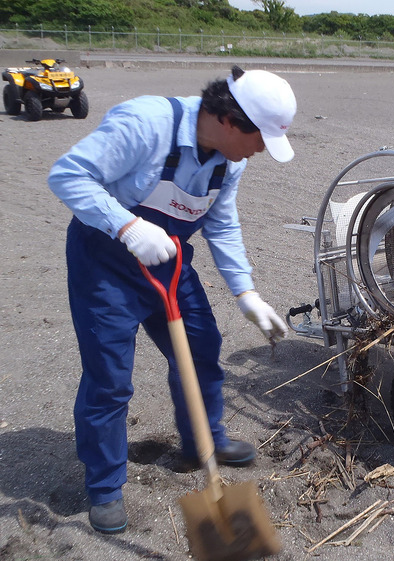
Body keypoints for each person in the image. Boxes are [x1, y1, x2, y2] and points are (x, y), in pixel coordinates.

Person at [48, 65, 296, 535]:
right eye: (260, 137)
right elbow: (68, 175)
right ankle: (104, 487)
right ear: (229, 120)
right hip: (106, 263)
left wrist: (246, 292)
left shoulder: (230, 160)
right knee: (110, 381)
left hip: (170, 264)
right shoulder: (145, 124)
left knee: (201, 350)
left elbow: (221, 223)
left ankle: (203, 443)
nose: (261, 149)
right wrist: (126, 225)